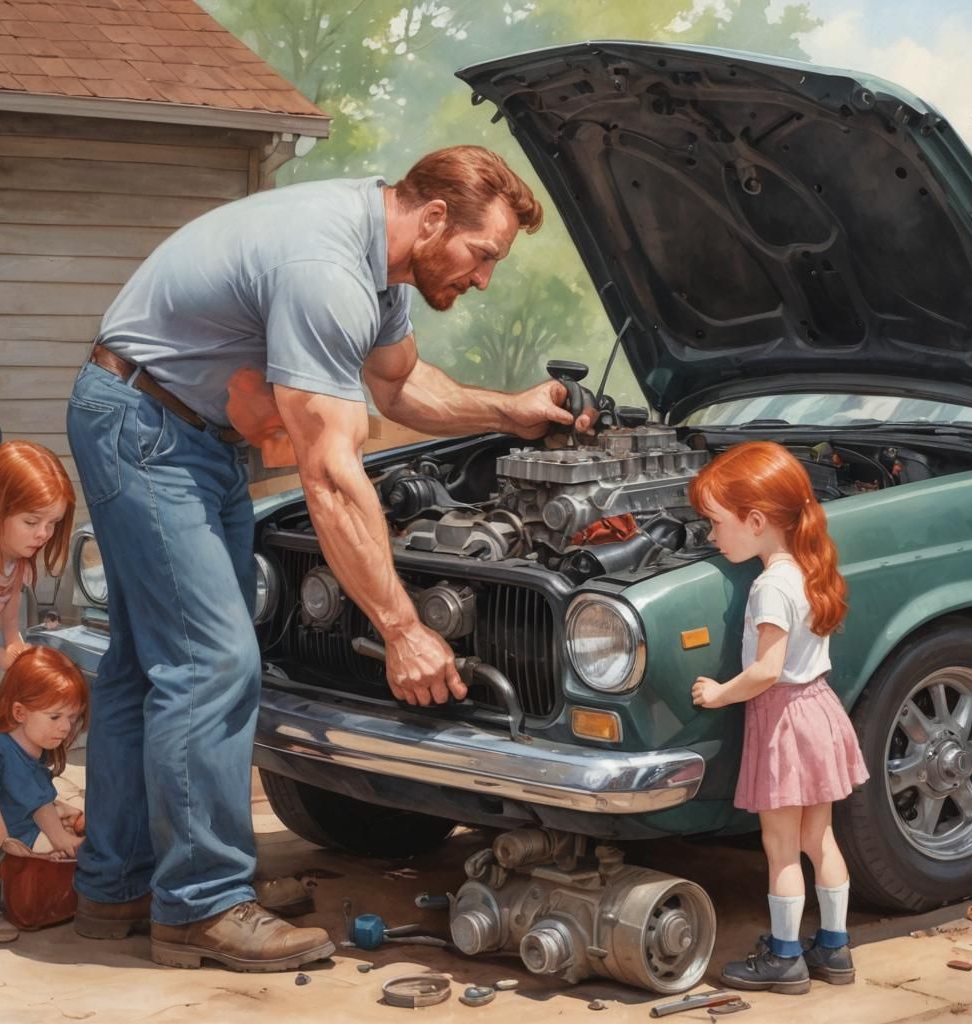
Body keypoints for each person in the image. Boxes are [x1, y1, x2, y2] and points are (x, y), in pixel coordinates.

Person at [67, 145, 591, 972]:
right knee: (212, 664)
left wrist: (510, 411)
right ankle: (203, 906)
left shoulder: (377, 270)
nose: (485, 277)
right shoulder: (328, 269)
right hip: (150, 430)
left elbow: (400, 389)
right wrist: (402, 627)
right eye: (482, 253)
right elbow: (331, 477)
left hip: (177, 428)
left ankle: (123, 884)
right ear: (431, 219)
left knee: (149, 664)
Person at [689, 441, 868, 996]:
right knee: (821, 838)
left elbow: (766, 670)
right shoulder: (811, 567)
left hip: (784, 720)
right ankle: (834, 949)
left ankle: (785, 957)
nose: (712, 537)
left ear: (758, 519)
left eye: (716, 523)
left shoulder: (768, 587)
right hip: (820, 709)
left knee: (781, 846)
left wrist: (720, 694)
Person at [0, 646, 89, 943]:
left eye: (72, 717)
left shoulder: (31, 745)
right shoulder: (2, 748)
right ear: (19, 712)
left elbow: (40, 799)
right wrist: (62, 838)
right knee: (61, 849)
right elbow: (39, 805)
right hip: (4, 828)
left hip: (18, 821)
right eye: (55, 717)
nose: (66, 727)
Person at [0, 441, 75, 673]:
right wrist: (0, 656)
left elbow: (11, 623)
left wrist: (16, 647)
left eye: (53, 523)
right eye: (31, 522)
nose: (43, 534)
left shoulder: (16, 563)